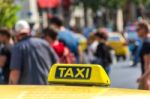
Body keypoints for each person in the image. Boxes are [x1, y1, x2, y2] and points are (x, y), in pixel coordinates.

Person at [9, 20, 58, 85]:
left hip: (28, 91)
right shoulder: (44, 43)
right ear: (29, 31)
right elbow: (56, 63)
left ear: (16, 34)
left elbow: (15, 73)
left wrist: (11, 90)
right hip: (47, 87)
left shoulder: (18, 47)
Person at [137, 22, 150, 90]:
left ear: (144, 29)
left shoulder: (146, 43)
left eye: (138, 29)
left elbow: (147, 64)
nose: (137, 32)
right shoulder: (147, 41)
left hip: (146, 78)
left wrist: (145, 79)